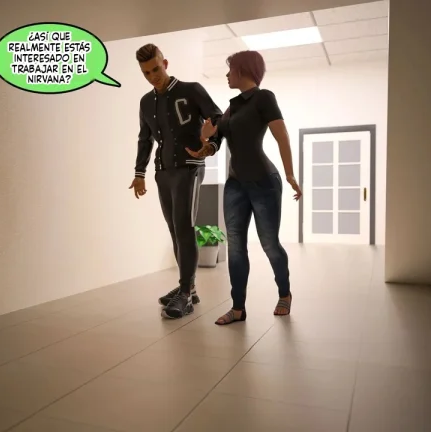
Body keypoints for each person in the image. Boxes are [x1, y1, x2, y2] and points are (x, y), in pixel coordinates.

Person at [188, 50, 302, 325]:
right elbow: (215, 143)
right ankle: (238, 308)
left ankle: (284, 294)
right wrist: (204, 143)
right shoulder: (231, 107)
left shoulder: (264, 98)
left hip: (264, 182)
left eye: (231, 70)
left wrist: (290, 174)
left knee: (269, 243)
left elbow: (282, 136)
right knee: (236, 247)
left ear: (243, 70)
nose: (227, 75)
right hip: (235, 185)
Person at [129, 43, 224, 319]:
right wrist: (139, 173)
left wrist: (211, 145)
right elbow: (145, 139)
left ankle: (185, 294)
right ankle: (189, 288)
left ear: (165, 64)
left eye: (156, 69)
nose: (152, 77)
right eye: (146, 73)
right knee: (174, 230)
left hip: (189, 167)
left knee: (184, 228)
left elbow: (218, 118)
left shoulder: (191, 90)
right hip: (163, 172)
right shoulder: (146, 102)